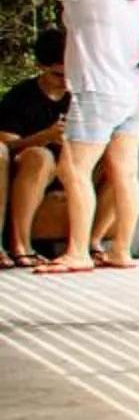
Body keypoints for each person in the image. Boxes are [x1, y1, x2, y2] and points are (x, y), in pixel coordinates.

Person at [0, 0, 139, 272]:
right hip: (135, 92)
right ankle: (121, 250)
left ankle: (78, 253)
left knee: (73, 170)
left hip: (98, 92)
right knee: (125, 173)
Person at [0, 28, 69, 267]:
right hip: (29, 169)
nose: (66, 82)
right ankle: (20, 245)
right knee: (39, 156)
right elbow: (7, 146)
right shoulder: (21, 96)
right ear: (41, 66)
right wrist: (45, 137)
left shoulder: (81, 95)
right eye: (58, 75)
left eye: (71, 74)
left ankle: (92, 244)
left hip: (72, 165)